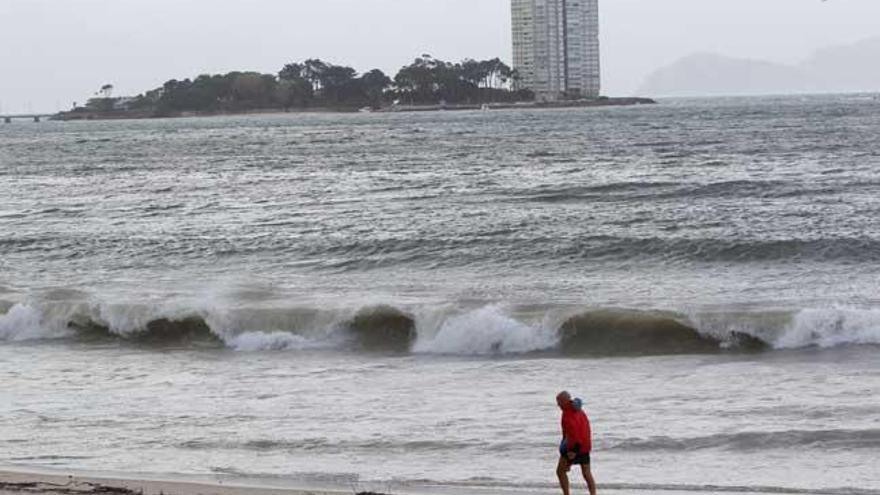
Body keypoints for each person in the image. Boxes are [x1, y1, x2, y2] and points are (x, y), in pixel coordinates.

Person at [556, 391, 597, 495]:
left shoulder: (568, 413)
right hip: (585, 445)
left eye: (559, 401)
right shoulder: (579, 410)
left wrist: (574, 450)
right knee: (586, 473)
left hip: (575, 446)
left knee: (560, 471)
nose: (558, 404)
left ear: (565, 401)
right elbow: (585, 429)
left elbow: (574, 433)